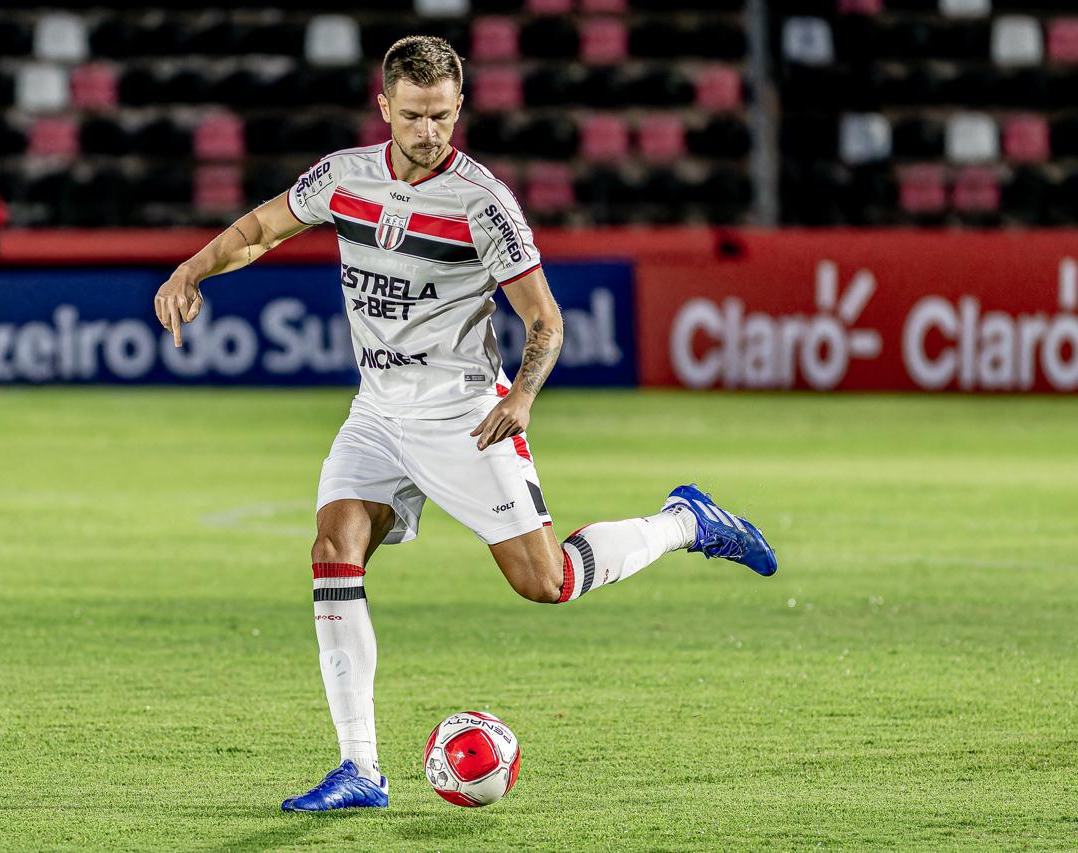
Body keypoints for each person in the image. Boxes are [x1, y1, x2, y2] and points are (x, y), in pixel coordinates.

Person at [153, 36, 777, 813]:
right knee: (333, 548)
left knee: (545, 583)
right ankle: (360, 769)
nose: (428, 132)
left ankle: (686, 521)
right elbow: (260, 229)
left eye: (442, 116)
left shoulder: (483, 203)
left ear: (459, 107)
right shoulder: (344, 177)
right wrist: (191, 270)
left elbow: (544, 321)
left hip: (463, 413)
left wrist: (522, 397)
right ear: (384, 107)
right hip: (378, 409)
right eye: (413, 116)